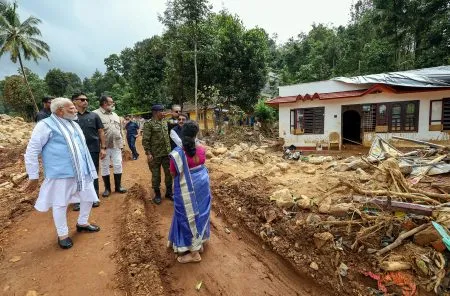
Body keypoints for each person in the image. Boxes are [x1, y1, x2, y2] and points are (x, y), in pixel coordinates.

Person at [23, 97, 100, 249]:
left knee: (89, 197)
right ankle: (63, 234)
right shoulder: (45, 125)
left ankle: (82, 222)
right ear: (60, 111)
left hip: (82, 170)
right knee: (60, 203)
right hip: (60, 173)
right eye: (71, 108)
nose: (75, 110)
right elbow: (32, 150)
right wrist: (33, 176)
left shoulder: (73, 124)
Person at [168, 121, 211, 263]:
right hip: (202, 183)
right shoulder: (202, 149)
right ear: (196, 134)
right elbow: (201, 162)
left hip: (187, 185)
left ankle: (194, 253)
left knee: (187, 215)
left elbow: (173, 173)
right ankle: (199, 243)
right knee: (201, 213)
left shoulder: (177, 154)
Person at [71, 92, 106, 211]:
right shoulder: (69, 117)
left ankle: (94, 197)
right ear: (74, 101)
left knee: (93, 173)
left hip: (93, 149)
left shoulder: (94, 116)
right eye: (82, 99)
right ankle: (77, 200)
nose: (85, 101)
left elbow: (101, 131)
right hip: (75, 151)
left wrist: (103, 148)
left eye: (86, 99)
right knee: (76, 174)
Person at [93, 95, 127, 197]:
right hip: (104, 146)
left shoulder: (115, 115)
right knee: (105, 166)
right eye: (111, 102)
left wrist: (123, 142)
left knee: (118, 165)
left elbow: (121, 130)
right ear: (104, 103)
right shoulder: (95, 114)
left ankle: (118, 186)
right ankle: (107, 189)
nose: (113, 104)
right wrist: (100, 147)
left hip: (116, 144)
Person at [142, 104, 172, 204]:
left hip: (166, 154)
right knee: (156, 175)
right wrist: (148, 153)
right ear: (155, 112)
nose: (163, 112)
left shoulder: (165, 122)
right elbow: (145, 140)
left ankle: (169, 192)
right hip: (155, 154)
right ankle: (157, 194)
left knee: (169, 173)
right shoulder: (149, 124)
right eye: (161, 111)